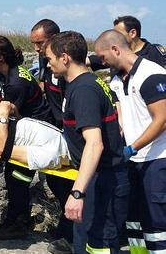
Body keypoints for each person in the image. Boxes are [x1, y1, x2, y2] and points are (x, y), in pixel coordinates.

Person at [45, 31, 129, 254]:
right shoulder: (91, 83)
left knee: (96, 244)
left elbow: (95, 144)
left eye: (50, 58)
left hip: (101, 181)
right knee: (90, 241)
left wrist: (77, 193)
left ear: (65, 58)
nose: (48, 64)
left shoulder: (83, 90)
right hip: (101, 176)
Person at [94, 30, 166, 254]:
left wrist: (133, 147)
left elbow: (162, 119)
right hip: (132, 161)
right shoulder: (117, 79)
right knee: (133, 221)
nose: (102, 62)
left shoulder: (150, 74)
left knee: (157, 223)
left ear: (116, 49)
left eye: (103, 57)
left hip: (156, 159)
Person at [0, 35, 53, 240]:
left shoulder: (16, 82)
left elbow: (10, 114)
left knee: (17, 177)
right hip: (19, 127)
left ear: (0, 57)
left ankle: (19, 223)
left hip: (36, 133)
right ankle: (14, 218)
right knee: (13, 175)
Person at [30, 19, 74, 253]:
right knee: (56, 181)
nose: (37, 48)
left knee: (71, 184)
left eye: (40, 43)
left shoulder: (68, 64)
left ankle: (73, 234)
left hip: (72, 133)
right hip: (55, 128)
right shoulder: (45, 61)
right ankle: (67, 227)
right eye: (34, 44)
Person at [88, 15, 166, 71]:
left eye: (118, 33)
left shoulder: (153, 52)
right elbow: (98, 59)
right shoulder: (117, 53)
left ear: (132, 33)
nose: (114, 37)